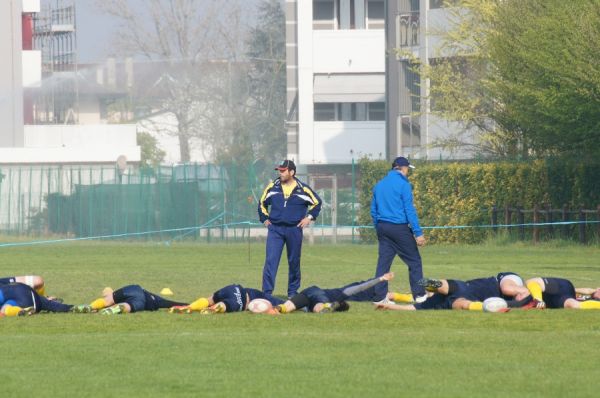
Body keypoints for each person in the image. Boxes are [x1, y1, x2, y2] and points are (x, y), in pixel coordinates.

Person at [258, 159, 322, 298]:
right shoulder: (272, 187)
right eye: (279, 170)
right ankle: (266, 293)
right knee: (271, 261)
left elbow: (317, 203)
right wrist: (265, 219)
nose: (280, 173)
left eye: (283, 170)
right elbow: (262, 203)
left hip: (294, 230)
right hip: (275, 230)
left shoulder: (303, 189)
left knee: (294, 261)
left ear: (292, 172)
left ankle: (292, 293)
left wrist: (309, 217)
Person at [370, 156, 426, 304]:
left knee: (383, 263)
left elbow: (373, 211)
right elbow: (409, 210)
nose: (408, 172)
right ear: (402, 168)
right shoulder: (404, 184)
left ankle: (379, 297)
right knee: (414, 261)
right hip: (399, 227)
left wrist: (379, 227)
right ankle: (420, 295)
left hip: (383, 227)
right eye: (408, 169)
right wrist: (418, 233)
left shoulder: (379, 184)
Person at [379, 272, 534, 311]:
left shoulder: (454, 286)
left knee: (507, 289)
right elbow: (412, 308)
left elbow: (433, 284)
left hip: (501, 281)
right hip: (457, 300)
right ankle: (504, 306)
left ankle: (532, 294)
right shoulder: (433, 303)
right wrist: (388, 306)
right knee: (461, 305)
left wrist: (420, 281)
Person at [274, 272, 395, 314]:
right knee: (319, 306)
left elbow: (360, 287)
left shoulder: (341, 294)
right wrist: (381, 279)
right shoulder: (342, 294)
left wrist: (381, 279)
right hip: (319, 294)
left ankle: (277, 308)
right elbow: (358, 288)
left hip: (309, 292)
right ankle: (326, 307)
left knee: (286, 307)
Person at [71, 285, 188, 315]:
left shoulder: (114, 294)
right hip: (140, 298)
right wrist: (187, 305)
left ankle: (91, 306)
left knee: (107, 301)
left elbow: (108, 298)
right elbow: (170, 303)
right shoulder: (157, 301)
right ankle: (118, 308)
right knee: (128, 306)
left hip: (132, 291)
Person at [169, 284, 284, 314]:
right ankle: (214, 310)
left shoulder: (257, 291)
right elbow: (278, 307)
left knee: (210, 299)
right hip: (243, 299)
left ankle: (190, 307)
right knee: (226, 304)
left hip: (232, 288)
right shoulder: (268, 299)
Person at [0, 282, 73, 316]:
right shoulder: (41, 300)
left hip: (20, 297)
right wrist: (70, 308)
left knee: (4, 311)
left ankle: (21, 311)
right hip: (28, 293)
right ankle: (20, 310)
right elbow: (60, 307)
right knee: (5, 307)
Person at [526, 277, 600, 309]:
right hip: (563, 288)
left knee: (574, 305)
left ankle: (538, 300)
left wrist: (538, 300)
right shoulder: (590, 292)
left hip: (561, 297)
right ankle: (538, 300)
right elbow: (531, 282)